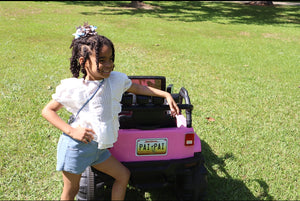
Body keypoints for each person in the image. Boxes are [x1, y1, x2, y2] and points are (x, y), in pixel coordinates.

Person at [42, 23, 180, 201]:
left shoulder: (116, 80)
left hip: (99, 149)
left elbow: (139, 88)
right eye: (101, 60)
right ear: (83, 62)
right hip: (76, 148)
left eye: (111, 58)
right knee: (71, 191)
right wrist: (72, 131)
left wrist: (165, 94)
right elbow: (48, 111)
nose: (109, 64)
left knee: (123, 175)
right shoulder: (76, 88)